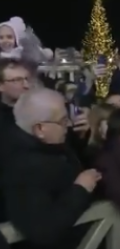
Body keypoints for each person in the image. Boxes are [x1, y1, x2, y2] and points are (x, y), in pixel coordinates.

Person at [2, 88, 99, 248]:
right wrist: (80, 189)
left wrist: (80, 140)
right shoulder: (25, 168)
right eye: (62, 121)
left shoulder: (44, 144)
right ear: (40, 129)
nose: (68, 124)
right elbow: (42, 231)